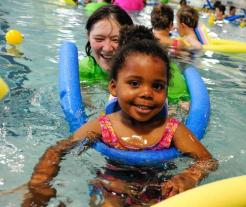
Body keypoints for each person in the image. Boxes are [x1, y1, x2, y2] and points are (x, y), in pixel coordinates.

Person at [22, 40, 218, 206]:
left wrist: (188, 176)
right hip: (111, 189)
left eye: (157, 86)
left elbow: (207, 161)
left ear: (166, 91)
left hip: (160, 191)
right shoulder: (103, 126)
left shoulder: (172, 130)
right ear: (114, 87)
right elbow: (58, 150)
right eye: (134, 83)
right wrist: (40, 183)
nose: (147, 93)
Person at [79, 5, 133, 85]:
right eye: (99, 39)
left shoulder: (140, 68)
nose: (107, 48)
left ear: (130, 39)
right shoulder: (85, 70)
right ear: (88, 37)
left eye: (116, 40)